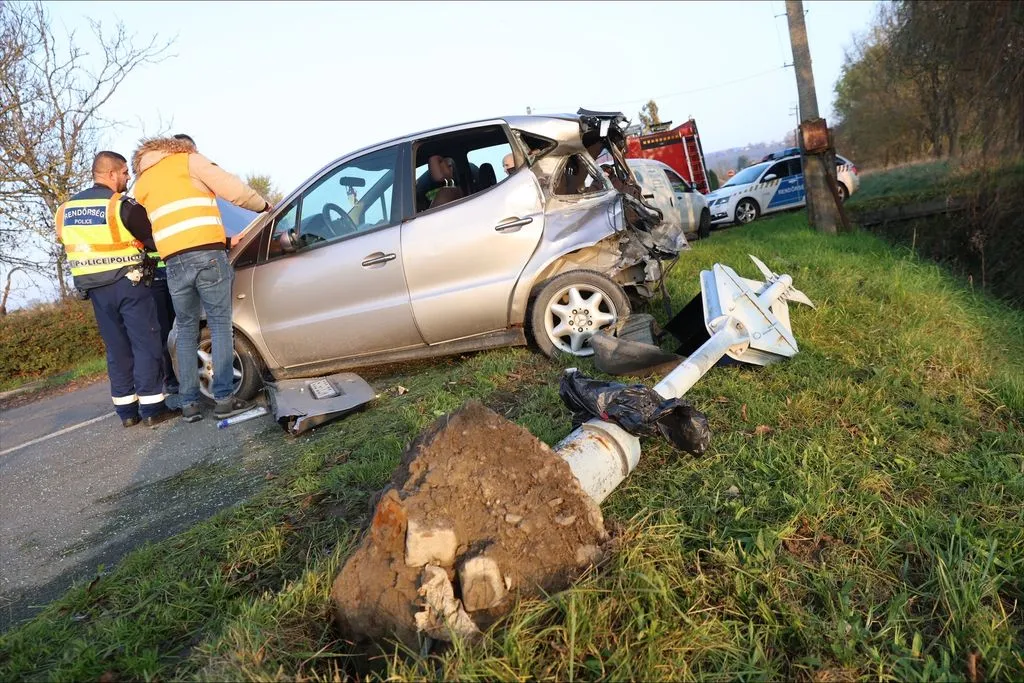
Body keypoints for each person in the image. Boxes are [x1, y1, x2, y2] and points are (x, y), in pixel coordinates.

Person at [131, 134, 272, 423]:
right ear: (181, 147)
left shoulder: (143, 182)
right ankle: (223, 398)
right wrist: (264, 207)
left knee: (185, 329)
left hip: (173, 261)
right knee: (220, 324)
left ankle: (189, 404)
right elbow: (234, 189)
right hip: (207, 254)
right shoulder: (188, 161)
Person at [54, 151, 177, 428]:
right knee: (145, 344)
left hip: (95, 290)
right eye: (124, 173)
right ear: (111, 174)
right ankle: (153, 407)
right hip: (129, 284)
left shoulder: (64, 210)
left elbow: (70, 243)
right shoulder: (120, 205)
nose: (127, 178)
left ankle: (127, 412)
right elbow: (153, 241)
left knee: (117, 349)